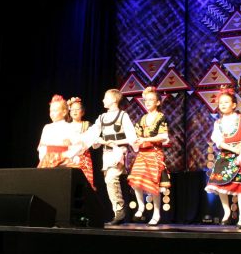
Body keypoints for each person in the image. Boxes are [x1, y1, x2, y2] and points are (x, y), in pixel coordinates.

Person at [83, 88, 137, 225]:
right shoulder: (102, 117)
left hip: (119, 152)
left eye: (105, 98)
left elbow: (131, 136)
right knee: (109, 181)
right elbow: (92, 134)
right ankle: (118, 210)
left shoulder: (123, 116)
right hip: (107, 154)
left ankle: (119, 211)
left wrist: (115, 142)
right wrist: (98, 140)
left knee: (111, 178)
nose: (103, 100)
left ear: (113, 100)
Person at [205, 87, 241, 228]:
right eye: (221, 103)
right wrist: (232, 148)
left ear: (234, 105)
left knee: (240, 186)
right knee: (220, 184)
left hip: (240, 156)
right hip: (225, 155)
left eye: (226, 102)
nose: (223, 105)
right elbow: (218, 140)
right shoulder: (218, 123)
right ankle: (226, 212)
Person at [127, 86, 170, 226]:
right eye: (146, 100)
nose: (148, 102)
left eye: (151, 100)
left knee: (153, 184)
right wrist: (135, 141)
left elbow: (163, 136)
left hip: (154, 152)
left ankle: (156, 213)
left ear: (158, 102)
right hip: (143, 153)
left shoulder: (161, 117)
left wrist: (145, 139)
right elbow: (137, 135)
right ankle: (141, 206)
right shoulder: (143, 119)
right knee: (135, 179)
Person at [37, 95, 76, 168]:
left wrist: (63, 158)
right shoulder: (47, 128)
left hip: (64, 163)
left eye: (55, 111)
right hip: (47, 163)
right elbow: (42, 148)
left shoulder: (70, 127)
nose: (52, 113)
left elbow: (74, 148)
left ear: (64, 112)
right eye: (51, 111)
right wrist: (45, 159)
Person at [66, 96, 95, 190]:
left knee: (85, 182)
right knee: (71, 180)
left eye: (77, 109)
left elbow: (93, 139)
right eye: (72, 109)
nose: (74, 111)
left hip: (84, 157)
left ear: (82, 112)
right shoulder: (66, 126)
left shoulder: (86, 124)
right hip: (70, 157)